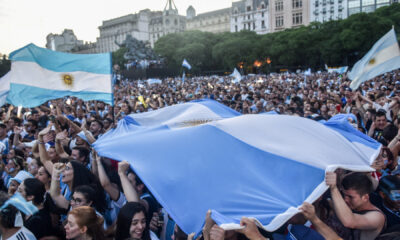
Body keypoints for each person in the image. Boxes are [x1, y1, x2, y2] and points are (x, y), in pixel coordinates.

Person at [326, 171, 386, 240]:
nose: (346, 200)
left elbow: (349, 222)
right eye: (344, 195)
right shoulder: (348, 205)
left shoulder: (377, 217)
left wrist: (333, 188)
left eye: (350, 197)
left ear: (365, 197)